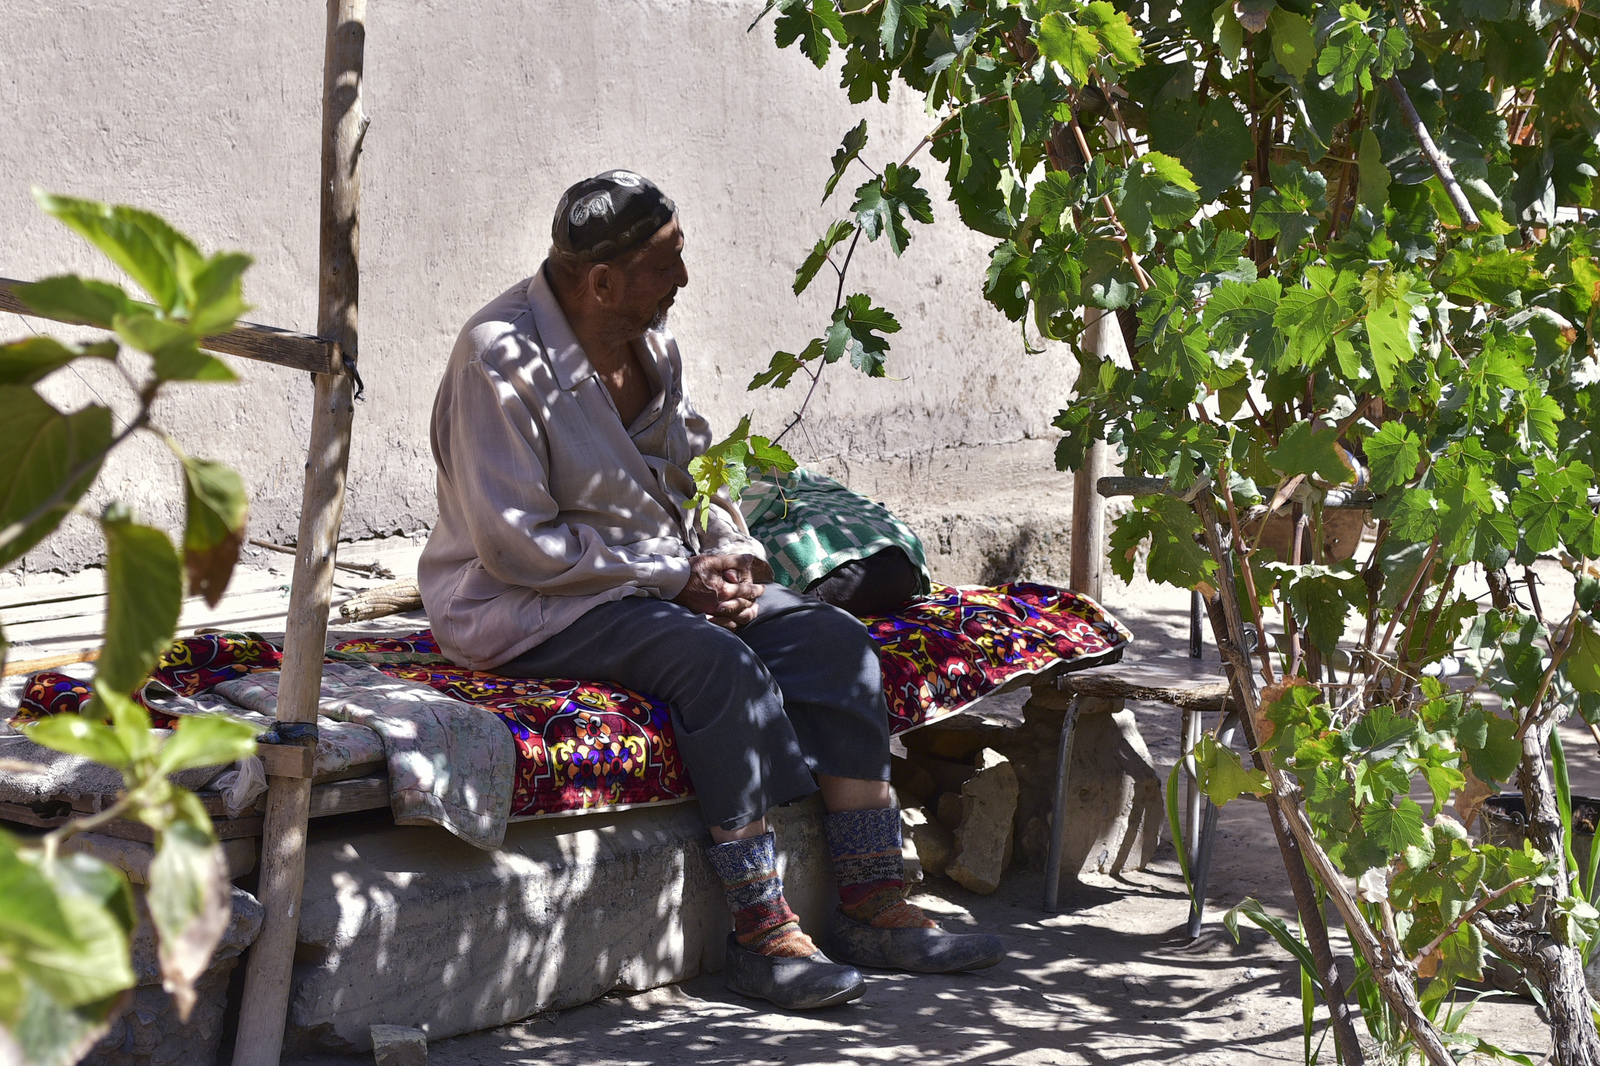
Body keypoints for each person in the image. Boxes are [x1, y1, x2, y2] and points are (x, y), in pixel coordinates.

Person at [418, 170, 1001, 1010]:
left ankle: (873, 900)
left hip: (655, 584)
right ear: (602, 281)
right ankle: (763, 936)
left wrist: (730, 550)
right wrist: (673, 580)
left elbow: (697, 473)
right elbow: (518, 550)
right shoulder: (497, 360)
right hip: (530, 605)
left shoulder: (649, 342)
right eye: (667, 264)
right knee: (716, 665)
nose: (683, 282)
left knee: (834, 644)